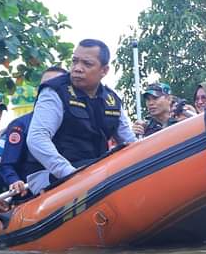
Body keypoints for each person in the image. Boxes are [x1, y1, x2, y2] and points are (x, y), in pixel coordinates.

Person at [23, 38, 137, 194]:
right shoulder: (54, 91)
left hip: (95, 171)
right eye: (74, 61)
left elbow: (129, 142)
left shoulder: (112, 100)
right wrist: (71, 174)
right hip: (52, 175)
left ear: (104, 70)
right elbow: (37, 138)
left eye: (87, 64)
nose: (77, 68)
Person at [0, 65, 66, 193]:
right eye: (45, 86)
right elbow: (7, 165)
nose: (49, 90)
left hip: (74, 189)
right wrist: (14, 181)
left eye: (56, 85)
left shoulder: (79, 122)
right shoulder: (21, 124)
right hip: (34, 195)